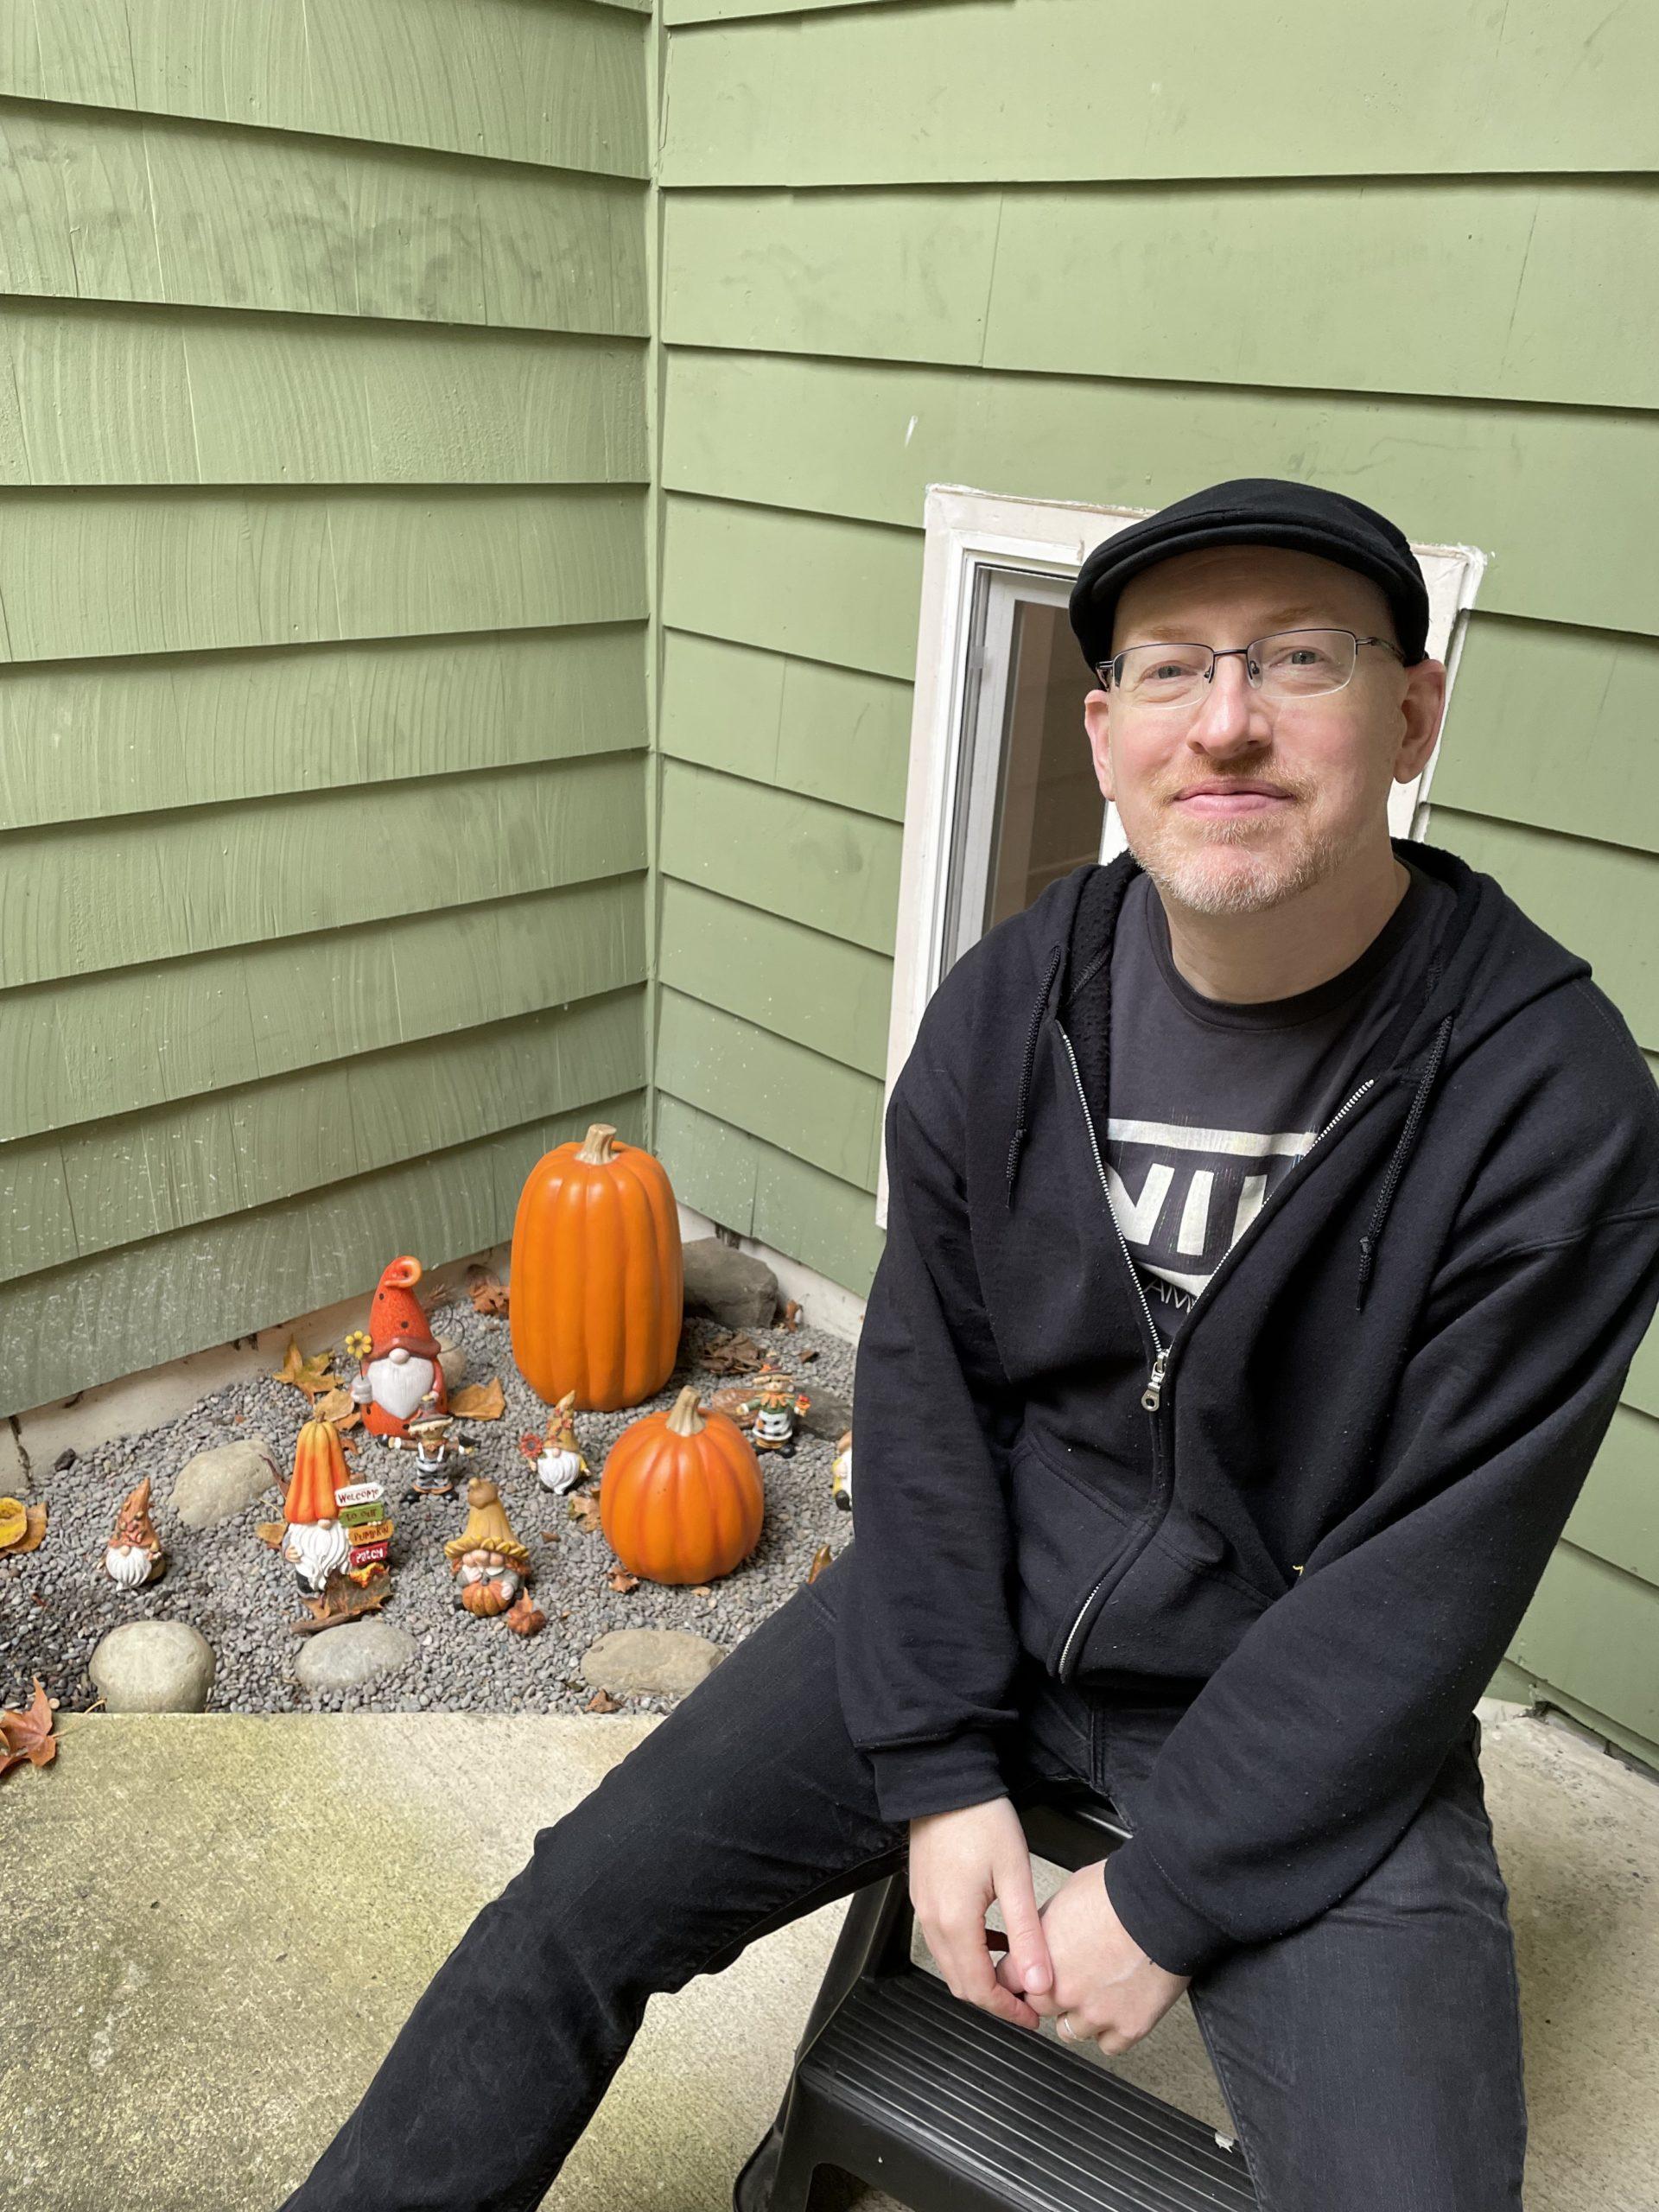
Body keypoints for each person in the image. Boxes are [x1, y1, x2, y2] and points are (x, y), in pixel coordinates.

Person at [278, 480, 1659, 2212]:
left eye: (1300, 656)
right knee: (561, 1920)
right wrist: (938, 1766)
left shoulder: (1551, 1099)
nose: (1225, 718)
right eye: (1170, 669)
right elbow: (931, 1400)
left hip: (1294, 1683)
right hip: (990, 1601)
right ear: (1105, 731)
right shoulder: (1010, 1006)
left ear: (1413, 709)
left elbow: (1423, 1583)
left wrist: (1163, 1901)